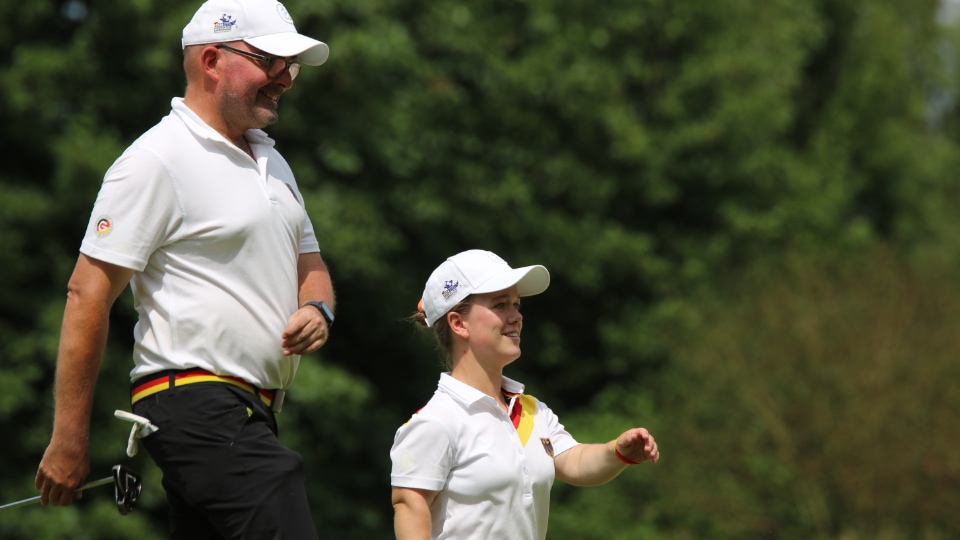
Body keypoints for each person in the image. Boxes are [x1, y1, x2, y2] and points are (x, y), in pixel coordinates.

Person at [34, 1, 335, 537]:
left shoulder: (274, 162)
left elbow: (310, 267)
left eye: (291, 67)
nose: (285, 79)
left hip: (252, 410)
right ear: (212, 59)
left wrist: (318, 308)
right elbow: (87, 294)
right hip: (192, 401)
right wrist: (68, 437)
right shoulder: (156, 158)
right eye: (270, 61)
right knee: (281, 498)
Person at [390, 249, 661, 540]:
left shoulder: (533, 410)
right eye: (501, 304)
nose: (516, 316)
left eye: (517, 305)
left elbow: (575, 462)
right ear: (458, 323)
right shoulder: (436, 421)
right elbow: (409, 503)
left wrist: (617, 452)